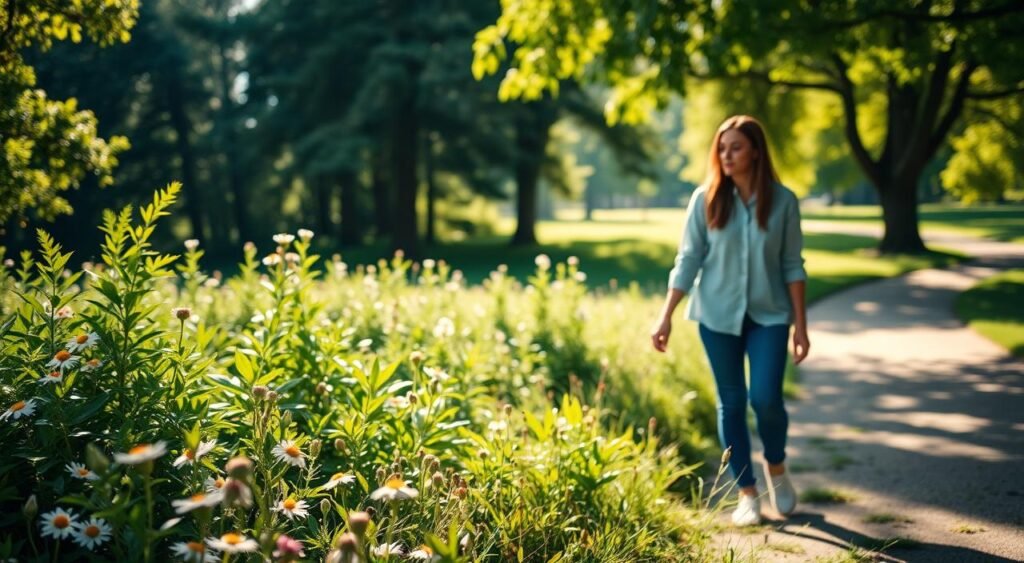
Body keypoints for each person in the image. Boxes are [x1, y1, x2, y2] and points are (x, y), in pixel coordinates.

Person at [650, 115, 810, 526]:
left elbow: (793, 265)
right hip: (717, 316)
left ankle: (776, 465)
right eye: (722, 148)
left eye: (735, 147)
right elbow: (687, 260)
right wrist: (665, 315)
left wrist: (801, 326)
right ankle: (747, 494)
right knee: (732, 403)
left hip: (769, 316)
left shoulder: (784, 201)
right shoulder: (705, 199)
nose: (727, 155)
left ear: (755, 150)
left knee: (766, 400)